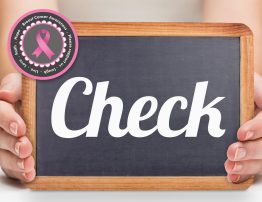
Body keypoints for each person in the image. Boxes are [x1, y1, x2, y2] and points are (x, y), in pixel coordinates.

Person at [0, 0, 262, 183]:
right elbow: (28, 42)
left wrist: (250, 116)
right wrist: (21, 110)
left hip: (195, 140)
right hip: (71, 144)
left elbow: (235, 52)